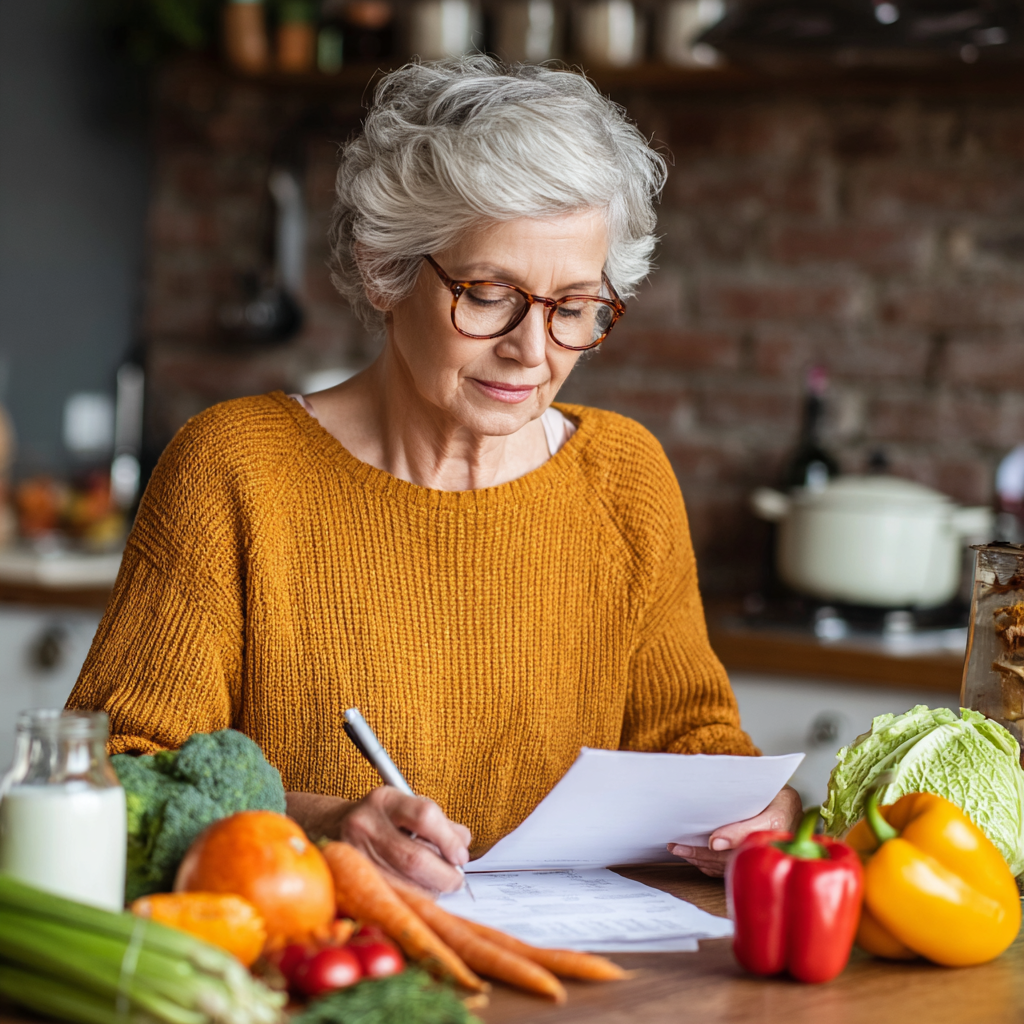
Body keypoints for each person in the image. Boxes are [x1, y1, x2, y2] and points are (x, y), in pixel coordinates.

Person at [67, 57, 800, 890]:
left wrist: (756, 811)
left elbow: (693, 737)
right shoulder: (234, 470)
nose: (532, 350)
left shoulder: (623, 477)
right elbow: (113, 779)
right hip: (320, 978)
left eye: (574, 307)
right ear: (388, 269)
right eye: (489, 294)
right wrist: (319, 823)